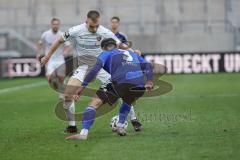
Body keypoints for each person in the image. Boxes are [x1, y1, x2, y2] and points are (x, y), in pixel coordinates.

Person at [41, 10, 129, 134]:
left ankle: (130, 121)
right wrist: (47, 56)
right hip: (83, 67)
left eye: (96, 26)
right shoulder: (76, 30)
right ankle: (72, 126)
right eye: (91, 26)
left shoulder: (104, 31)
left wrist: (132, 51)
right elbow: (59, 41)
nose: (94, 29)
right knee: (67, 95)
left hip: (101, 68)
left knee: (123, 90)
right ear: (86, 21)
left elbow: (120, 44)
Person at [66, 38, 153, 140]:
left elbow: (95, 69)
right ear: (116, 45)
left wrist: (83, 86)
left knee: (93, 104)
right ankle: (120, 127)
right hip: (139, 84)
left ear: (103, 48)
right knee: (127, 101)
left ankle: (83, 134)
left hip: (121, 81)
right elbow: (148, 65)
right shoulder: (130, 52)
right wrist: (150, 81)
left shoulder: (106, 53)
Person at [110, 16, 143, 131]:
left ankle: (133, 120)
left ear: (118, 24)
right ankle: (133, 120)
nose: (114, 24)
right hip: (109, 67)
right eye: (112, 22)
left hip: (120, 67)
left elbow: (126, 48)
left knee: (124, 95)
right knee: (124, 95)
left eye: (115, 22)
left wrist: (134, 52)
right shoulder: (106, 34)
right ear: (111, 23)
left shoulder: (122, 36)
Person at [36, 18, 71, 100]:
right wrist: (38, 52)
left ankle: (61, 93)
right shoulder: (45, 34)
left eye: (57, 24)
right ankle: (57, 84)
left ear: (59, 25)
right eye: (54, 24)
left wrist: (65, 52)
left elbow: (68, 45)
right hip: (50, 60)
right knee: (49, 79)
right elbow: (40, 43)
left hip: (60, 59)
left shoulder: (62, 35)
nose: (55, 25)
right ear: (51, 25)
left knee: (61, 78)